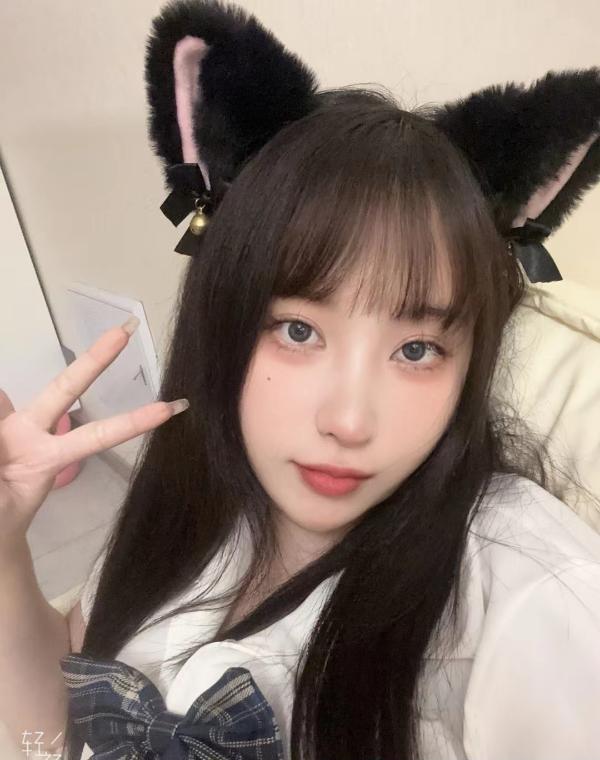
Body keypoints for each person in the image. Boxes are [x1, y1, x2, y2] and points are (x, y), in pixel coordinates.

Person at [1, 1, 599, 759]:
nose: (349, 421)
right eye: (298, 331)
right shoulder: (194, 487)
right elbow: (53, 733)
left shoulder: (534, 598)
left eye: (417, 349)